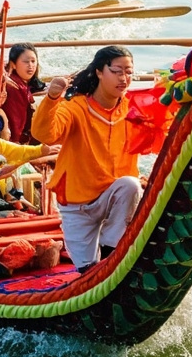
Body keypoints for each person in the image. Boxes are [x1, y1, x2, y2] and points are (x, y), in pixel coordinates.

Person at [30, 45, 144, 272]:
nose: (124, 78)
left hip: (112, 197)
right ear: (100, 72)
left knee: (131, 185)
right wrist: (52, 97)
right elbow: (44, 134)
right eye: (117, 71)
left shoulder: (134, 108)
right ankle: (100, 262)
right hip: (77, 204)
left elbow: (165, 126)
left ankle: (111, 248)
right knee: (87, 272)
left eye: (129, 72)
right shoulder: (76, 107)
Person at [0, 42, 46, 144]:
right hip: (15, 140)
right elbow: (17, 124)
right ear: (13, 65)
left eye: (33, 61)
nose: (31, 66)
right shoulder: (14, 88)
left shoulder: (22, 83)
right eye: (26, 62)